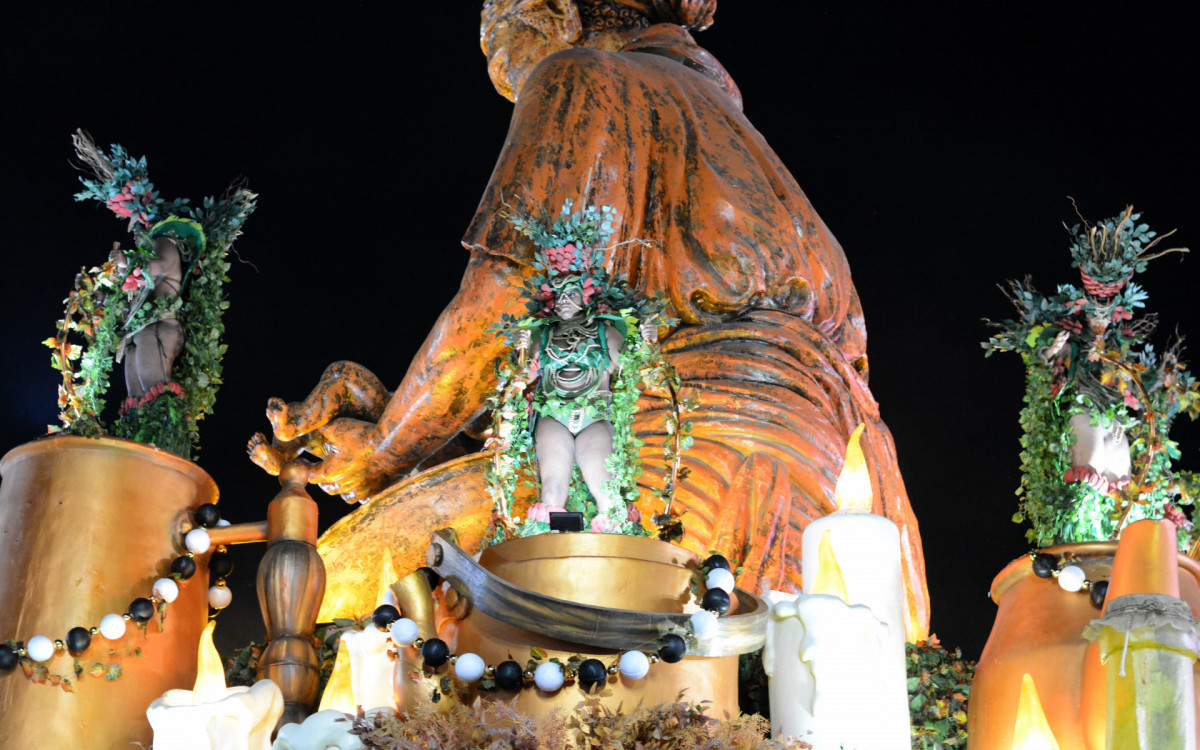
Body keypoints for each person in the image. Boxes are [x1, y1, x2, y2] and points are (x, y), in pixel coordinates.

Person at [262, 0, 929, 636]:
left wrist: (386, 452)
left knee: (352, 570)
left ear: (562, 18)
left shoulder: (581, 78)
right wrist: (401, 420)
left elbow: (511, 290)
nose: (509, 83)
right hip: (845, 506)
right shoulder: (725, 133)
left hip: (694, 472)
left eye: (505, 55)